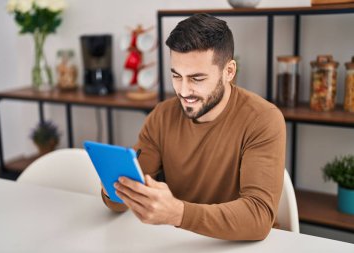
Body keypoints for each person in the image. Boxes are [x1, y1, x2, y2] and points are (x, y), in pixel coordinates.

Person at [101, 13, 286, 241]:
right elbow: (119, 202)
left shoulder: (263, 119)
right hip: (181, 241)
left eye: (197, 78)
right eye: (176, 76)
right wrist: (114, 187)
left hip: (242, 245)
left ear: (228, 72)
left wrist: (178, 213)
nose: (184, 90)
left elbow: (258, 218)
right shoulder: (162, 116)